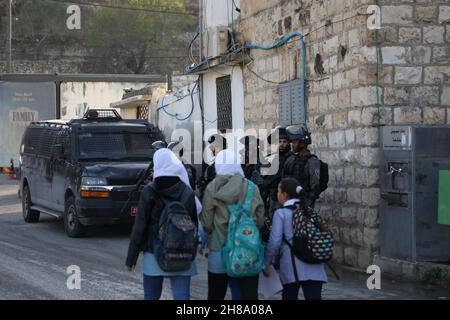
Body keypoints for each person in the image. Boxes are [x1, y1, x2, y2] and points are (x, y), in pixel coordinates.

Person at [125, 148, 202, 300]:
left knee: (151, 297)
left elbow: (139, 227)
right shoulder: (187, 191)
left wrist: (131, 258)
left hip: (153, 254)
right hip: (182, 254)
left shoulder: (149, 191)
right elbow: (194, 225)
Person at [201, 149, 265, 300]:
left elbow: (207, 223)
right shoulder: (251, 187)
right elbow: (260, 220)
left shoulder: (212, 188)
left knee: (216, 295)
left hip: (219, 250)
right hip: (247, 251)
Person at [263, 177, 327, 300]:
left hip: (292, 267)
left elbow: (275, 241)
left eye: (278, 191)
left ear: (285, 195)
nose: (277, 194)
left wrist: (267, 262)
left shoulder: (281, 213)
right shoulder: (309, 211)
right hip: (315, 265)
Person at [282, 125, 322, 208]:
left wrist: (307, 204)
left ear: (302, 143)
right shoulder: (291, 159)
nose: (292, 144)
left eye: (295, 142)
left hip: (305, 203)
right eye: (292, 142)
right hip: (290, 201)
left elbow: (315, 186)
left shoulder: (312, 161)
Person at [262, 127, 292, 222]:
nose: (282, 144)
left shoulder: (291, 159)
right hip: (271, 197)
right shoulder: (271, 158)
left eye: (284, 142)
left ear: (288, 143)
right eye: (279, 141)